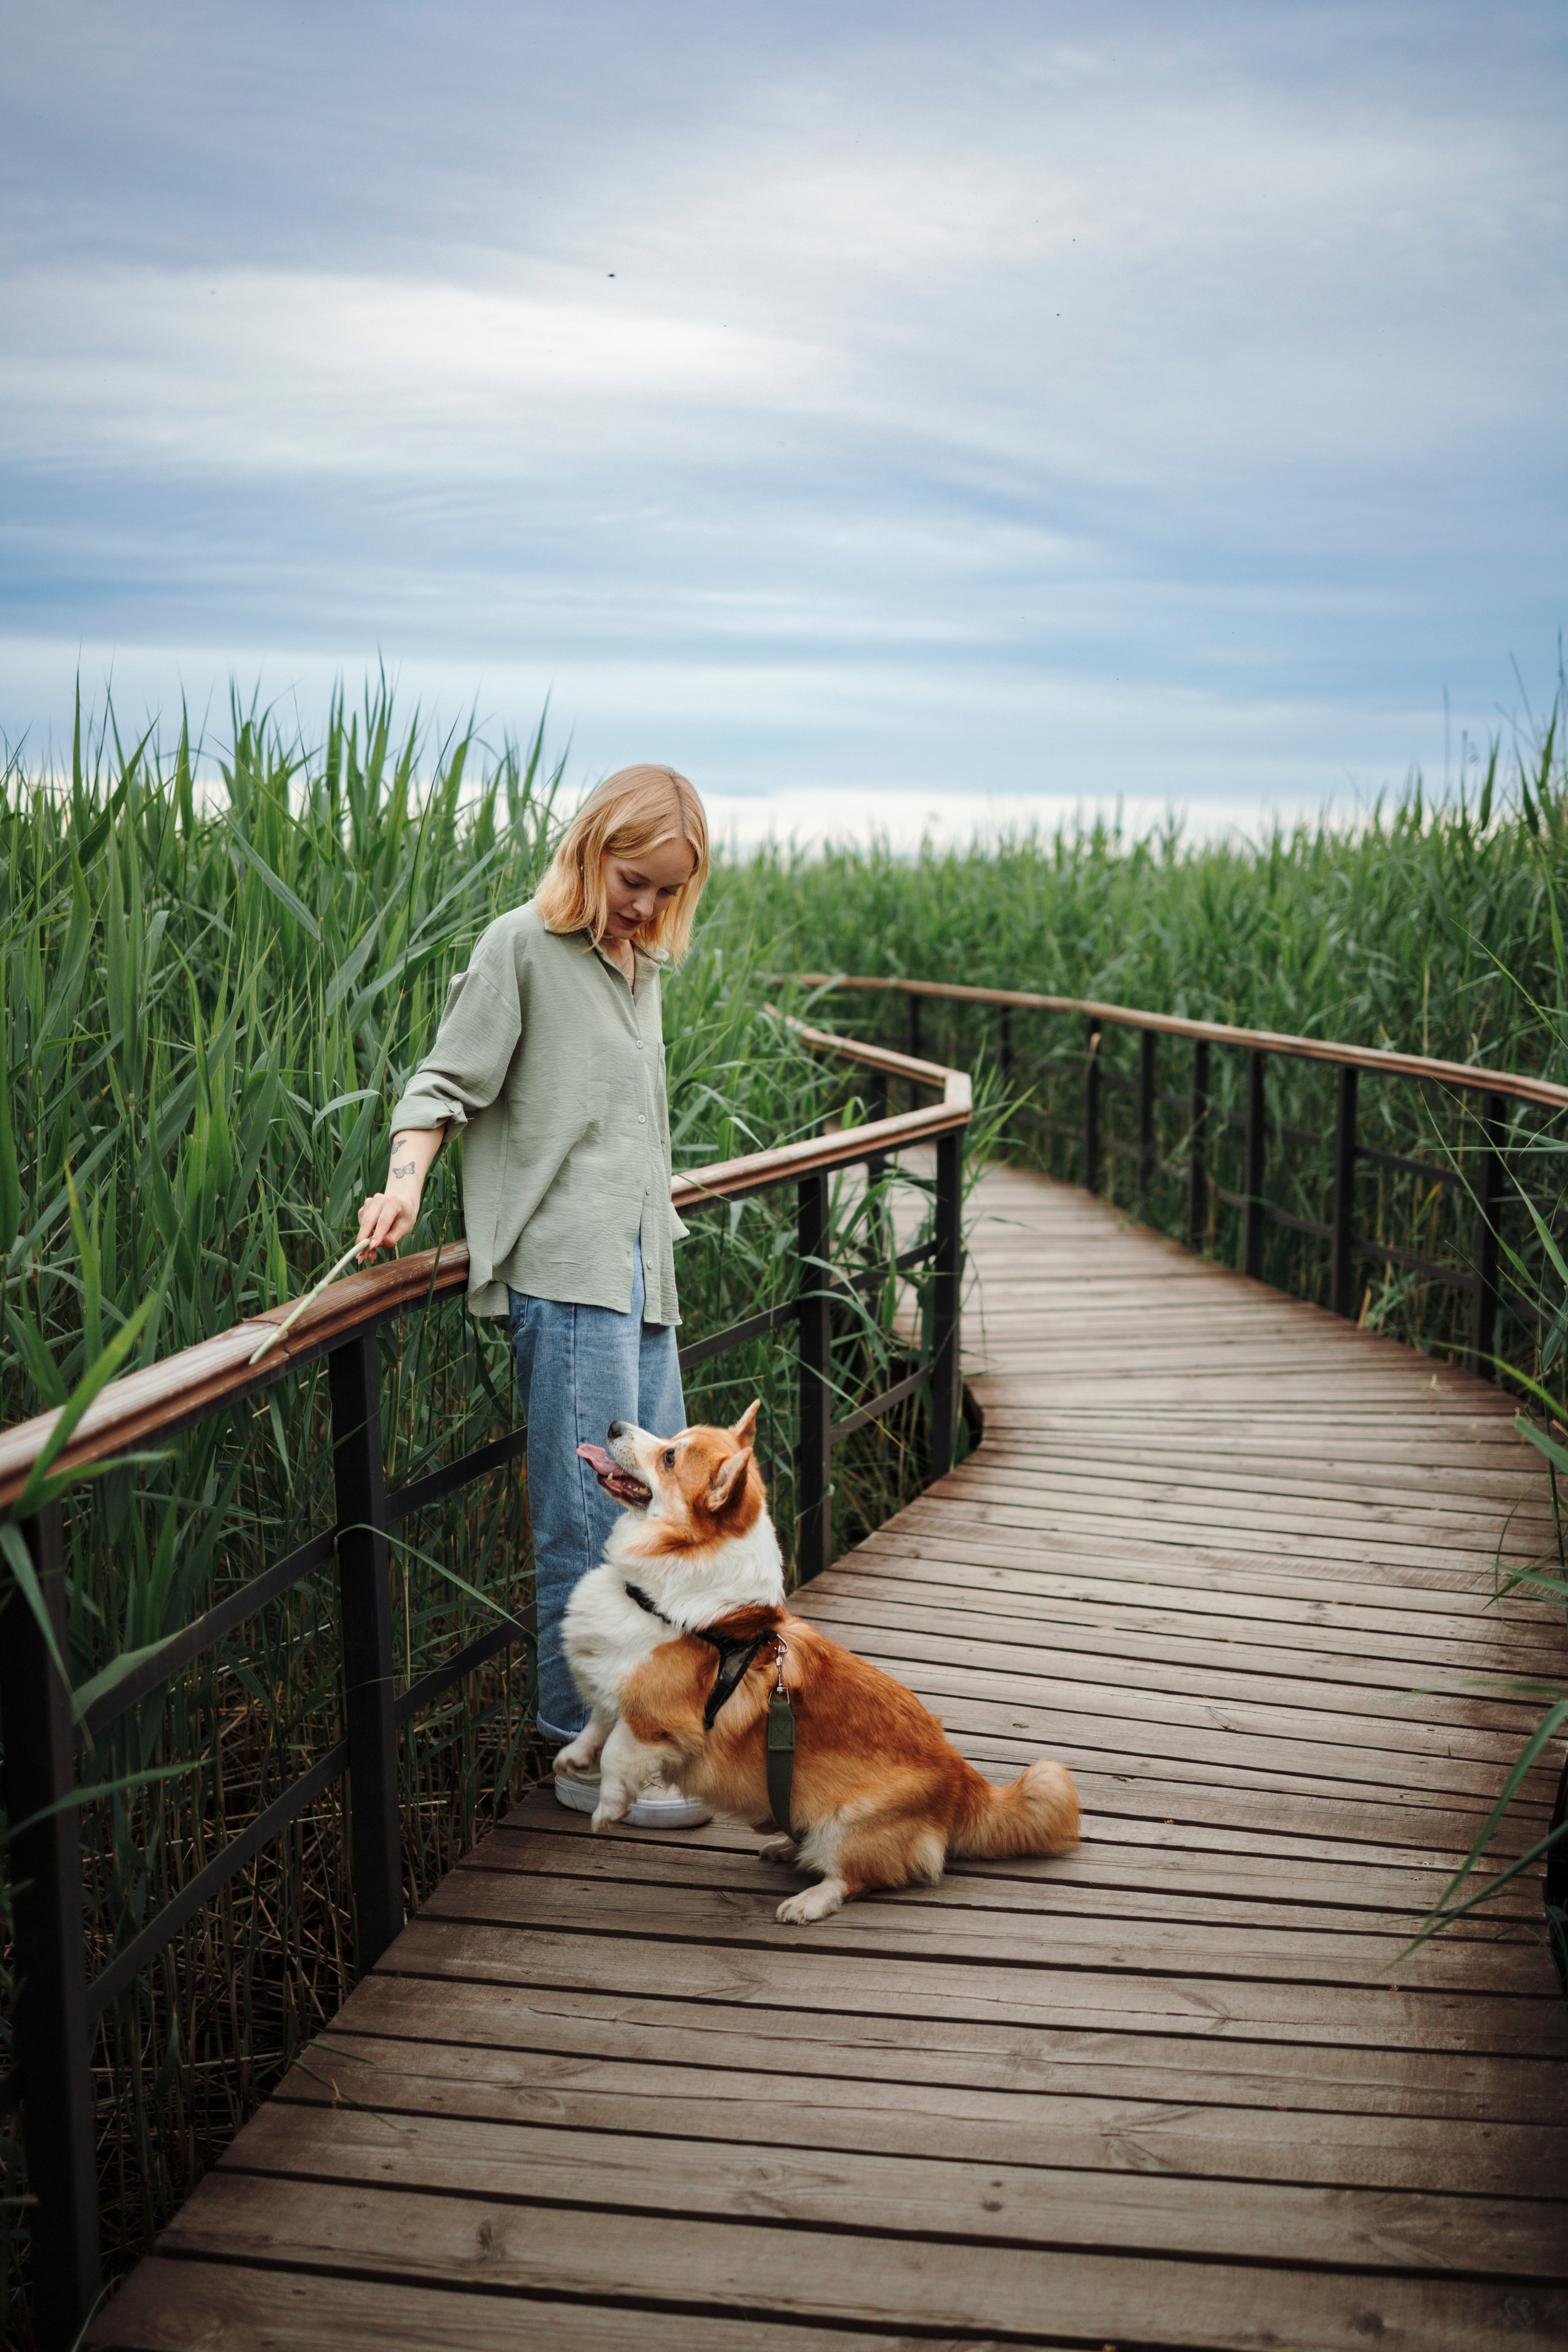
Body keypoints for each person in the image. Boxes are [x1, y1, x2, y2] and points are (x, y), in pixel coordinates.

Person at [354, 764, 713, 1826]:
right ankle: (579, 1752)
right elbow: (440, 1086)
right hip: (565, 1278)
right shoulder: (521, 946)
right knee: (584, 1524)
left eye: (668, 890)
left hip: (643, 1273)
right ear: (590, 850)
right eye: (633, 881)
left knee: (660, 1520)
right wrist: (403, 1188)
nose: (646, 906)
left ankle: (641, 1737)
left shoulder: (641, 967)